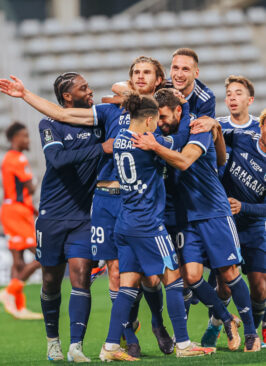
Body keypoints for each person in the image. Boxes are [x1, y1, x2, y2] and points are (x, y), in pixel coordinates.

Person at [0, 63, 175, 357]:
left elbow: (122, 93)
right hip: (54, 215)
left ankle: (80, 346)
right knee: (54, 280)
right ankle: (57, 340)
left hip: (88, 213)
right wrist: (25, 94)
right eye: (83, 88)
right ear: (68, 97)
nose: (91, 90)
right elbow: (56, 159)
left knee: (101, 275)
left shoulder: (102, 119)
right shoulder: (50, 125)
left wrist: (138, 92)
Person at [133, 89, 261, 353]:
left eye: (165, 116)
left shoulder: (198, 127)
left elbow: (184, 161)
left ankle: (251, 333)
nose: (162, 122)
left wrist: (156, 146)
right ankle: (227, 319)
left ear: (178, 111)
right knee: (191, 277)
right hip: (185, 216)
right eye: (158, 117)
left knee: (228, 274)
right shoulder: (164, 132)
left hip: (213, 210)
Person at [100, 93, 215, 360]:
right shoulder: (150, 144)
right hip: (149, 225)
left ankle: (110, 347)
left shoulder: (119, 140)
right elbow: (181, 137)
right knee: (173, 280)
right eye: (156, 120)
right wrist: (185, 107)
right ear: (149, 120)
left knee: (127, 286)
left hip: (125, 224)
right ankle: (184, 345)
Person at [0, 121, 42, 320]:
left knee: (18, 259)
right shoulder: (17, 159)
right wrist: (36, 181)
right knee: (43, 254)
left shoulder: (9, 158)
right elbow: (31, 188)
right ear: (15, 138)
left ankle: (18, 305)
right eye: (24, 136)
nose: (28, 140)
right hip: (16, 212)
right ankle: (10, 291)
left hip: (13, 210)